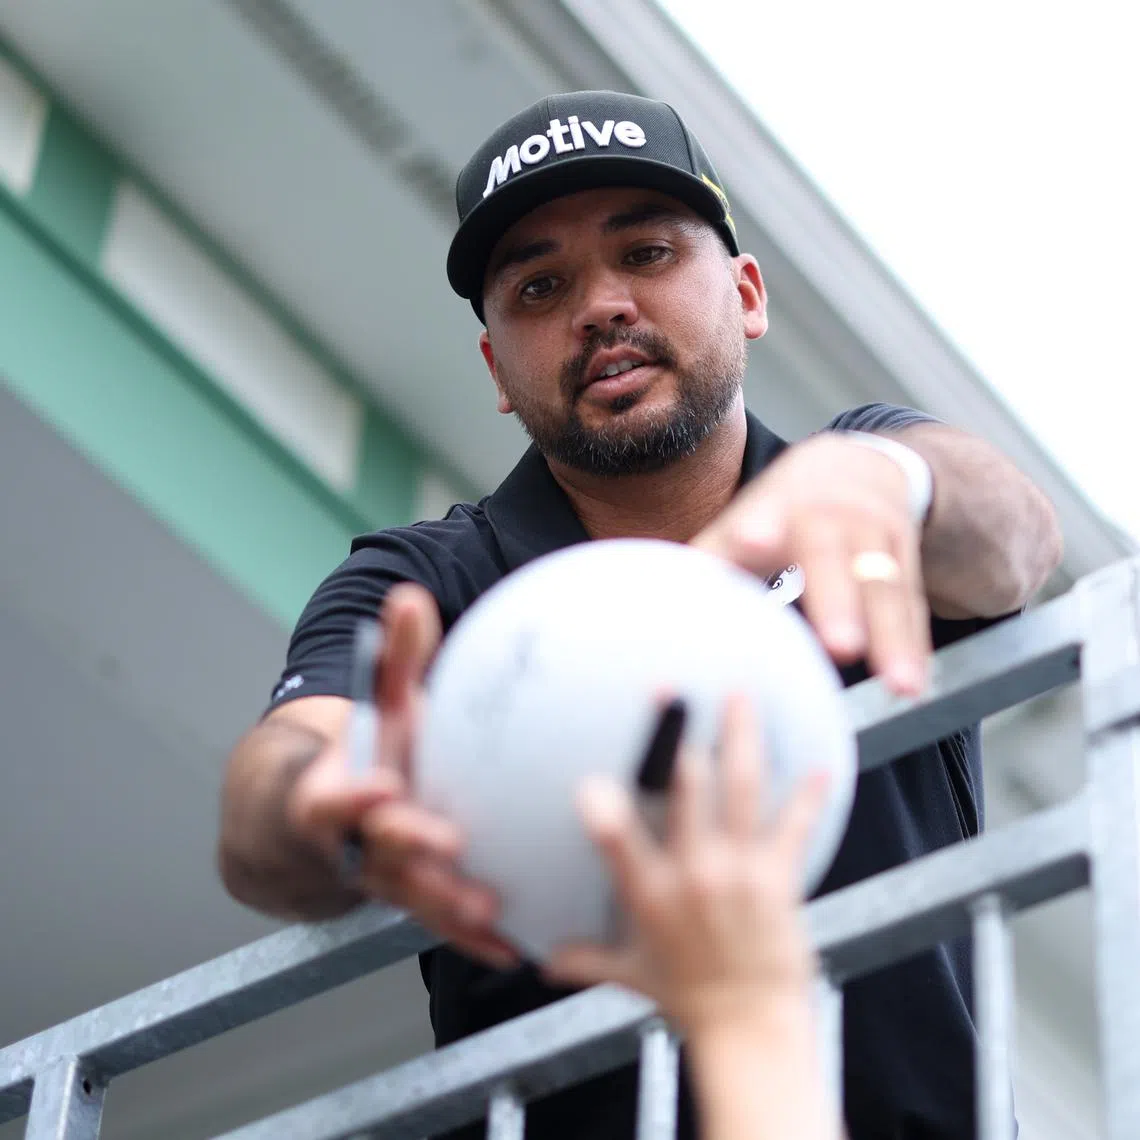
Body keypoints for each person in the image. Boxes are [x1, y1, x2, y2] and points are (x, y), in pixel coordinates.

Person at [218, 91, 1062, 1140]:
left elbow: (1020, 541)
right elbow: (271, 797)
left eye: (649, 254)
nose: (600, 305)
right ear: (494, 369)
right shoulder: (434, 578)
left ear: (747, 294)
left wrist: (897, 480)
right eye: (539, 286)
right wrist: (326, 800)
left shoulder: (857, 486)